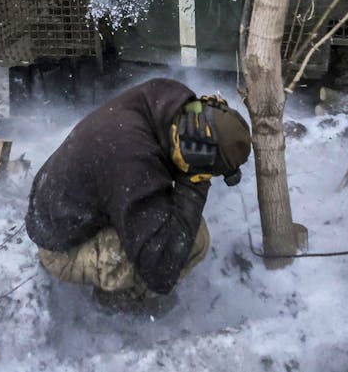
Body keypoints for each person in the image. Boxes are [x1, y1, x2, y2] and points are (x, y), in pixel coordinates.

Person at [25, 78, 252, 309]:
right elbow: (161, 270)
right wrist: (194, 181)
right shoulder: (132, 160)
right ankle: (120, 302)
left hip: (67, 209)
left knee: (176, 222)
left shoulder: (174, 102)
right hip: (61, 248)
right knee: (191, 240)